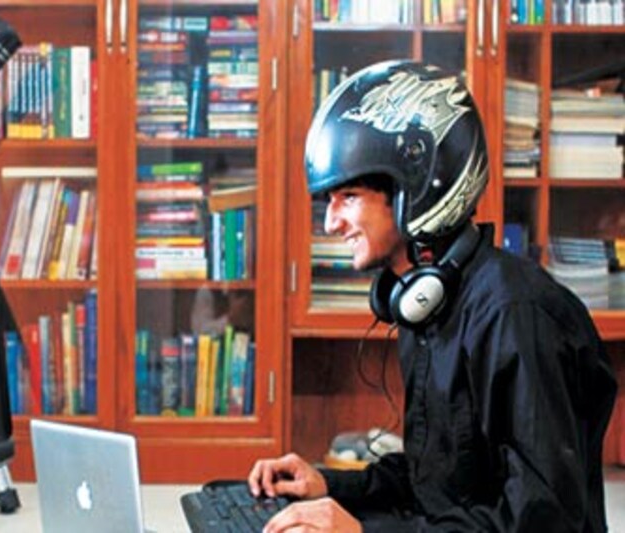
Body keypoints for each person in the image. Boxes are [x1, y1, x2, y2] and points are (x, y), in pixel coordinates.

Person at [248, 61, 618, 532]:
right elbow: (438, 482)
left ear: (416, 191)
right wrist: (328, 486)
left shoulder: (516, 317)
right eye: (329, 201)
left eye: (350, 196)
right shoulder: (427, 306)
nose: (331, 222)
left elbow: (539, 523)